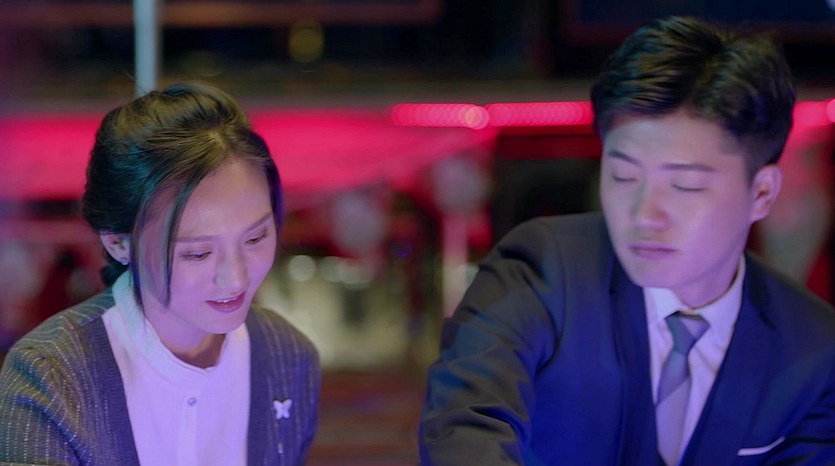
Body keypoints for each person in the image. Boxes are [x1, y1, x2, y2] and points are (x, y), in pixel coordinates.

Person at [419, 16, 835, 465]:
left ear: (762, 193)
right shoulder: (544, 271)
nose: (644, 215)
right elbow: (467, 421)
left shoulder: (813, 347)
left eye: (685, 186)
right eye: (623, 176)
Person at [0, 82, 320, 465]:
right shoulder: (52, 374)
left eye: (255, 238)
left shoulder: (286, 357)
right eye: (198, 253)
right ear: (119, 243)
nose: (235, 278)